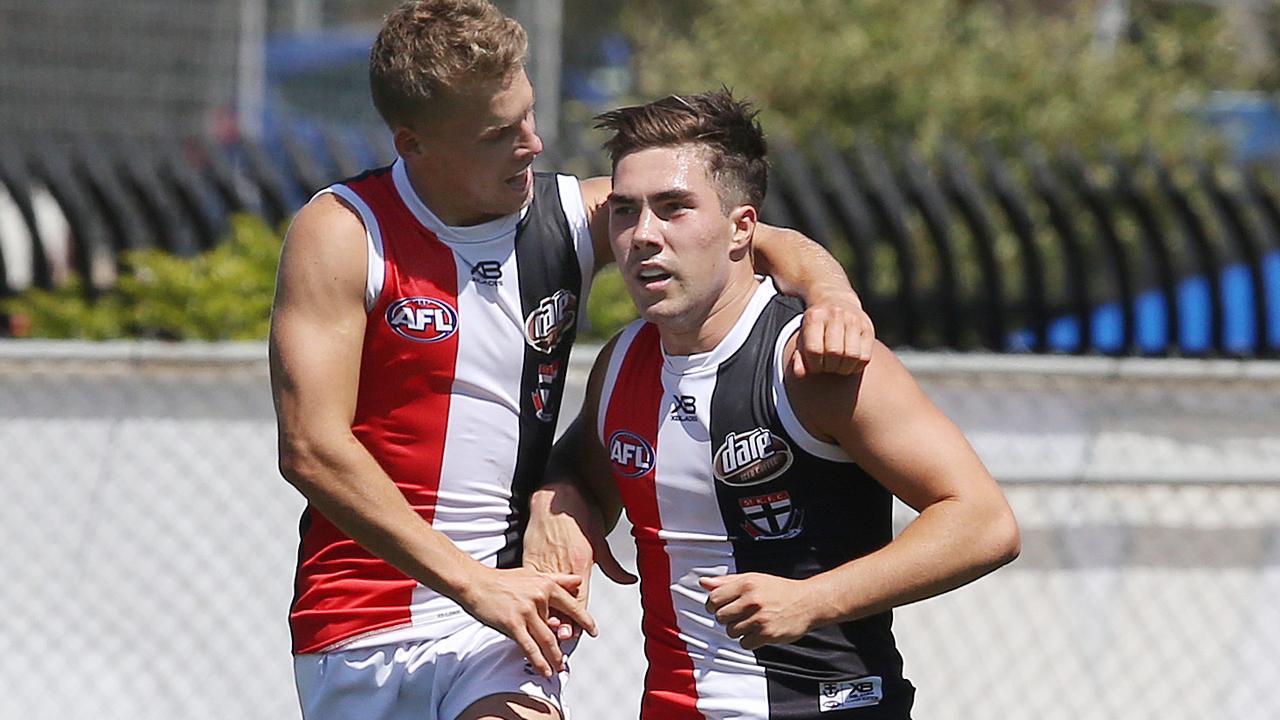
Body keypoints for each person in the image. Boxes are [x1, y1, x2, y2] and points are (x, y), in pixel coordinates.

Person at [268, 2, 876, 719]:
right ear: (414, 144)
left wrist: (832, 296)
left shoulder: (566, 215)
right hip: (360, 616)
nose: (533, 142)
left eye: (528, 113)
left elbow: (753, 236)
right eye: (501, 134)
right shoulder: (345, 232)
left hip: (507, 610)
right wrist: (470, 582)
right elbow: (311, 448)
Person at [537, 90, 1020, 719]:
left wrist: (812, 600)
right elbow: (578, 471)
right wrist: (557, 499)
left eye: (674, 208)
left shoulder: (813, 361)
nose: (643, 236)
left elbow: (984, 523)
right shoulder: (622, 362)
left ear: (743, 228)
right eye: (625, 211)